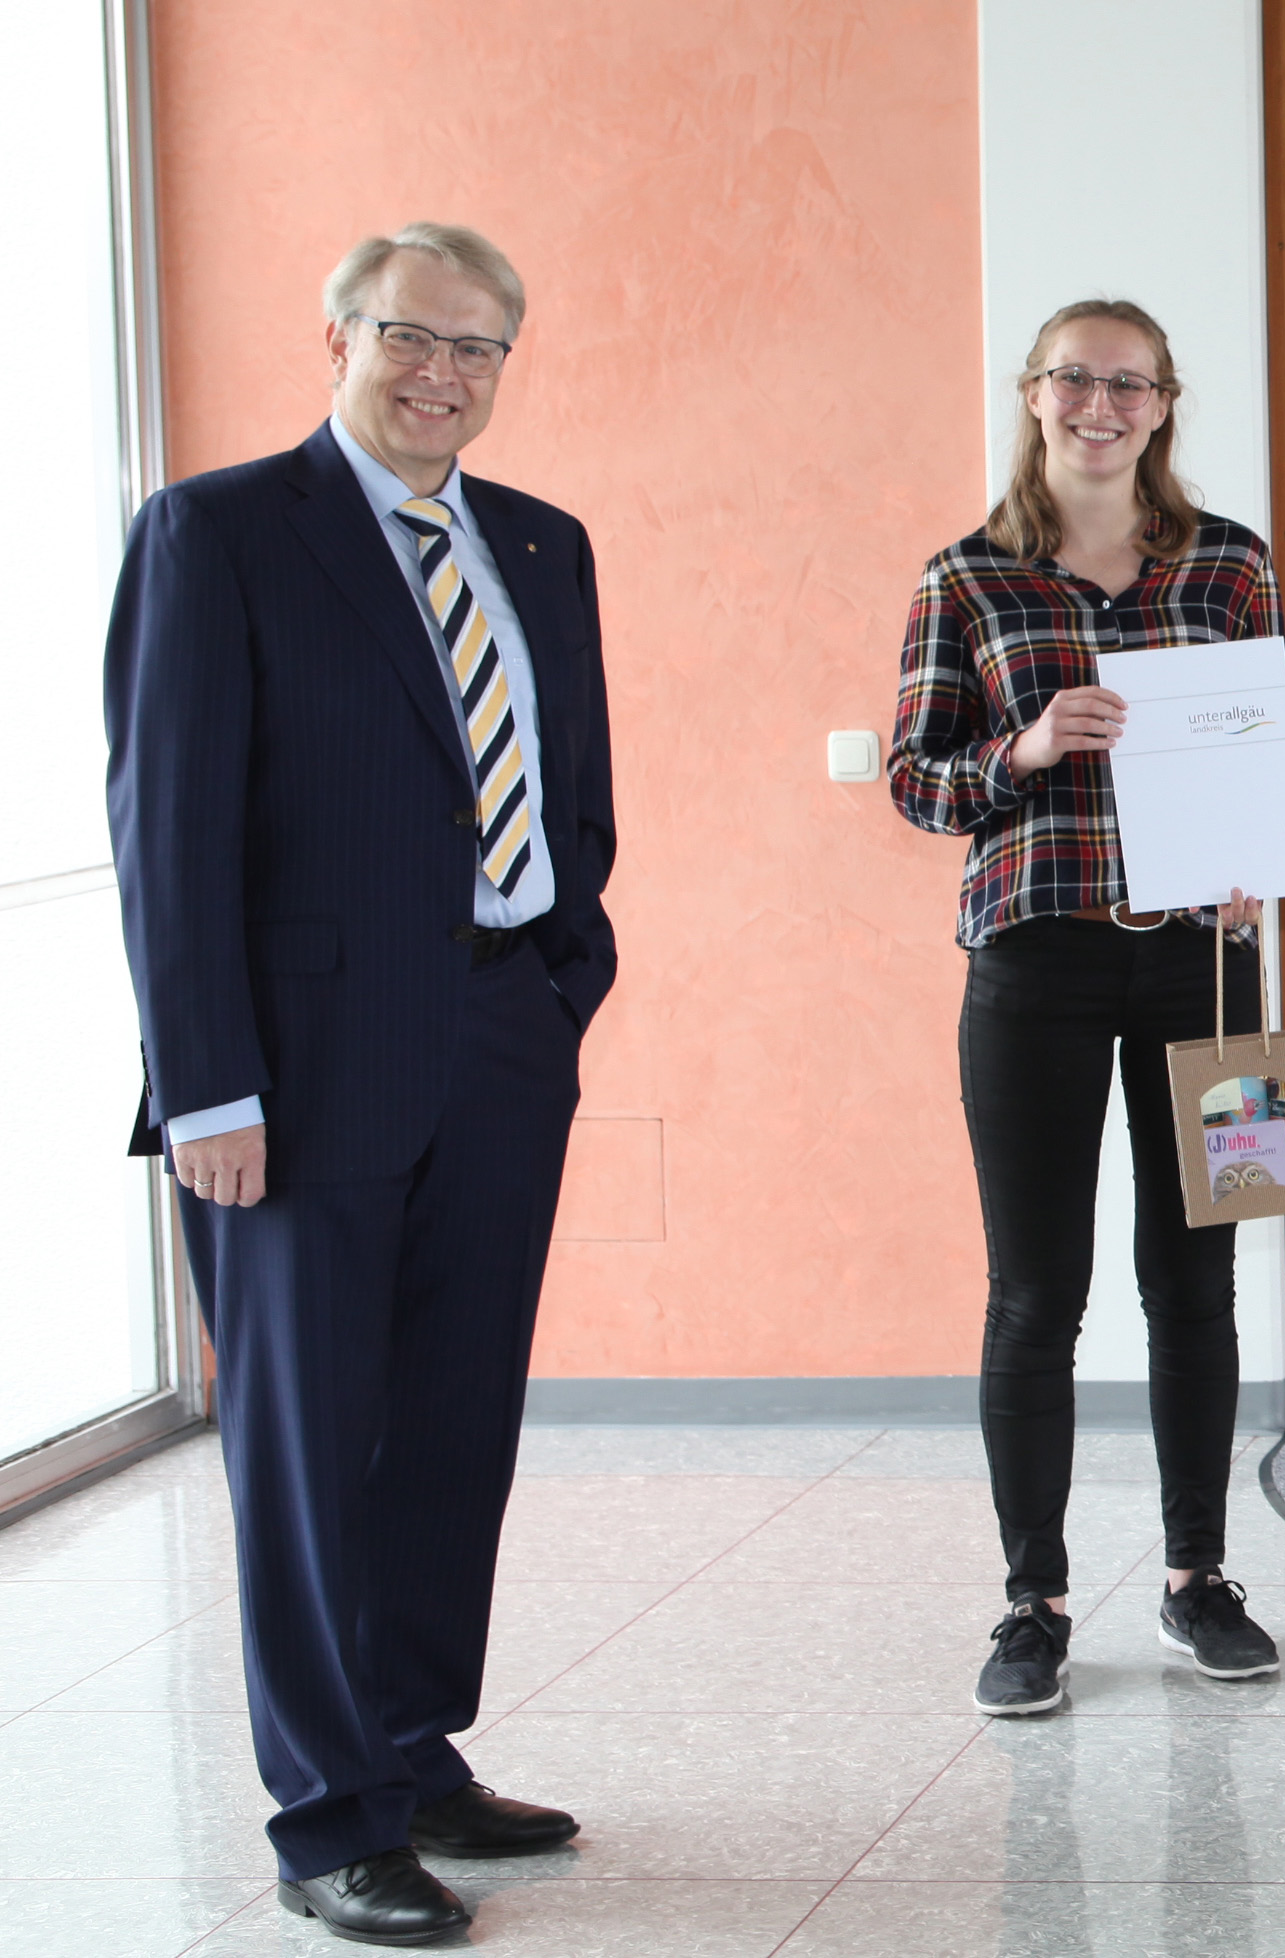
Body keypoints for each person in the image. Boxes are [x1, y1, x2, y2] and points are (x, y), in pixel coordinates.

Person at [104, 222, 615, 1945]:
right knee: (311, 1448)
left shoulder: (541, 544)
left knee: (454, 1421)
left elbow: (572, 793)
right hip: (296, 1076)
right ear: (336, 330)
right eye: (413, 336)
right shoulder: (224, 531)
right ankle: (329, 1814)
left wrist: (561, 984)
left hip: (499, 1042)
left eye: (479, 350)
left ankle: (413, 1745)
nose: (443, 377)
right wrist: (208, 1088)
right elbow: (168, 833)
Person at [886, 299, 1283, 1717]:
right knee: (1035, 1292)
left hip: (1202, 966)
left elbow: (1260, 747)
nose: (1100, 405)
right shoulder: (969, 578)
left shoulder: (1230, 563)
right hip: (1035, 960)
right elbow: (917, 781)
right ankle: (1032, 1602)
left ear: (1166, 404)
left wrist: (1255, 862)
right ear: (1033, 393)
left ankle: (1197, 1577)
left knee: (1197, 1279)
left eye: (1130, 383)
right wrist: (1028, 744)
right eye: (1075, 379)